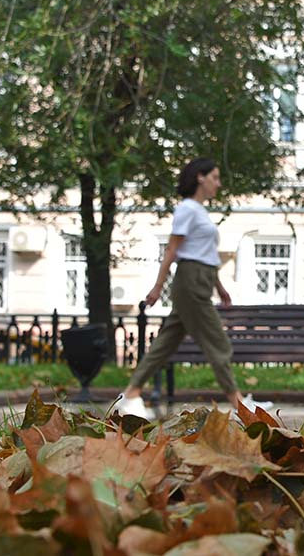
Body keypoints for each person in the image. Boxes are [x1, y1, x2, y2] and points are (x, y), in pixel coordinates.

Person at [114, 157, 271, 419]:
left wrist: (219, 286)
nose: (218, 184)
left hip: (202, 279)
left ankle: (130, 395)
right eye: (215, 178)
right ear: (200, 177)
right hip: (191, 280)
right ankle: (240, 407)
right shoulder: (187, 209)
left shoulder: (198, 211)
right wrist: (157, 287)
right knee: (218, 344)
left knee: (165, 343)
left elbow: (205, 252)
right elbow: (173, 250)